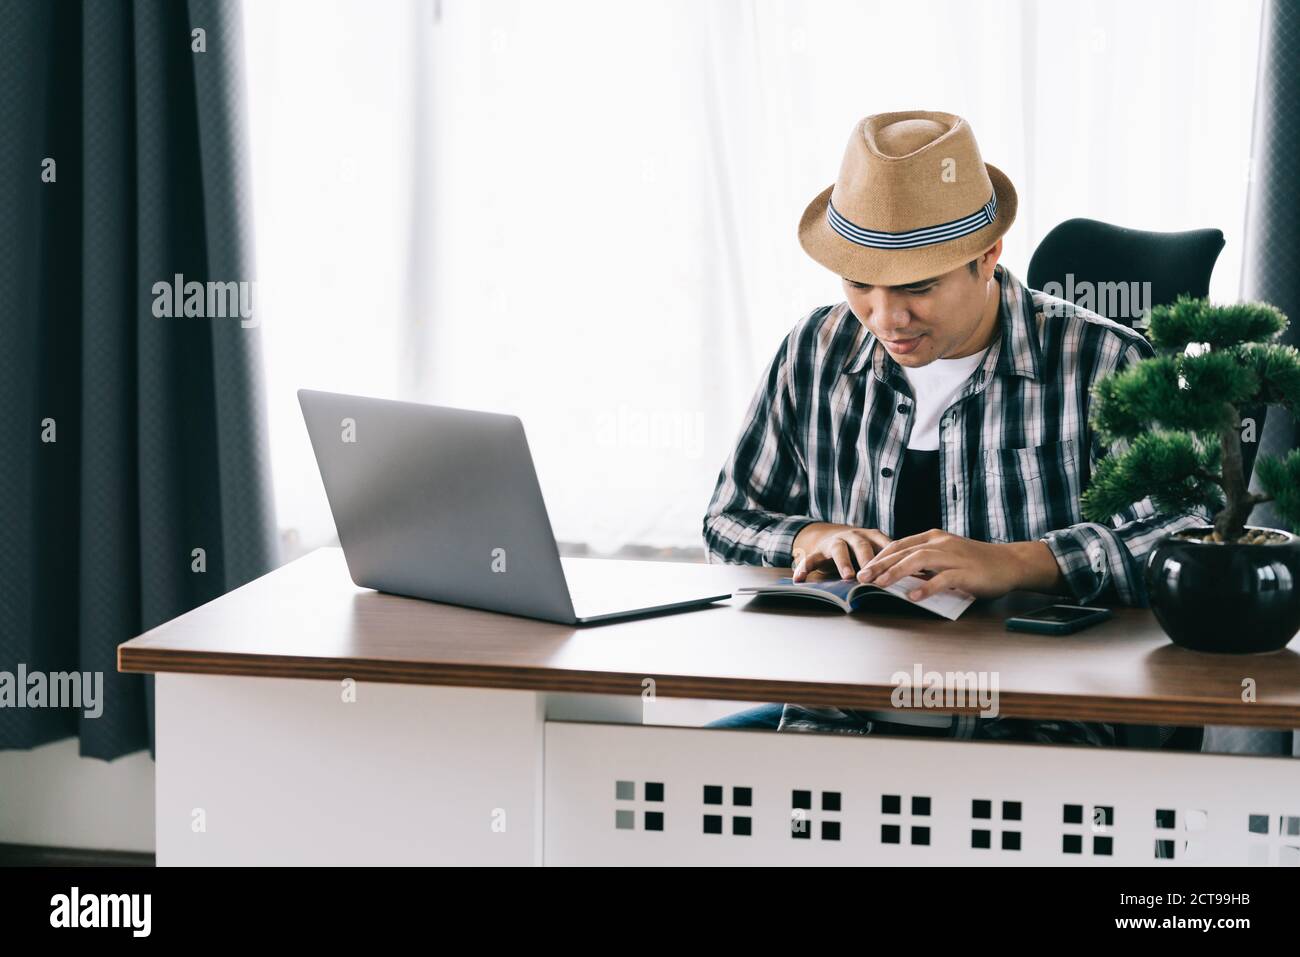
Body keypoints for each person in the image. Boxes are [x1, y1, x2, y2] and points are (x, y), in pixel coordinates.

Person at [701, 111, 1209, 742]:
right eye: (861, 284)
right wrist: (809, 536)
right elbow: (727, 521)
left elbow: (1194, 539)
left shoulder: (1103, 361)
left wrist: (1023, 563)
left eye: (918, 286)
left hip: (1033, 731)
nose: (887, 318)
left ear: (987, 255)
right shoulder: (816, 349)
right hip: (837, 718)